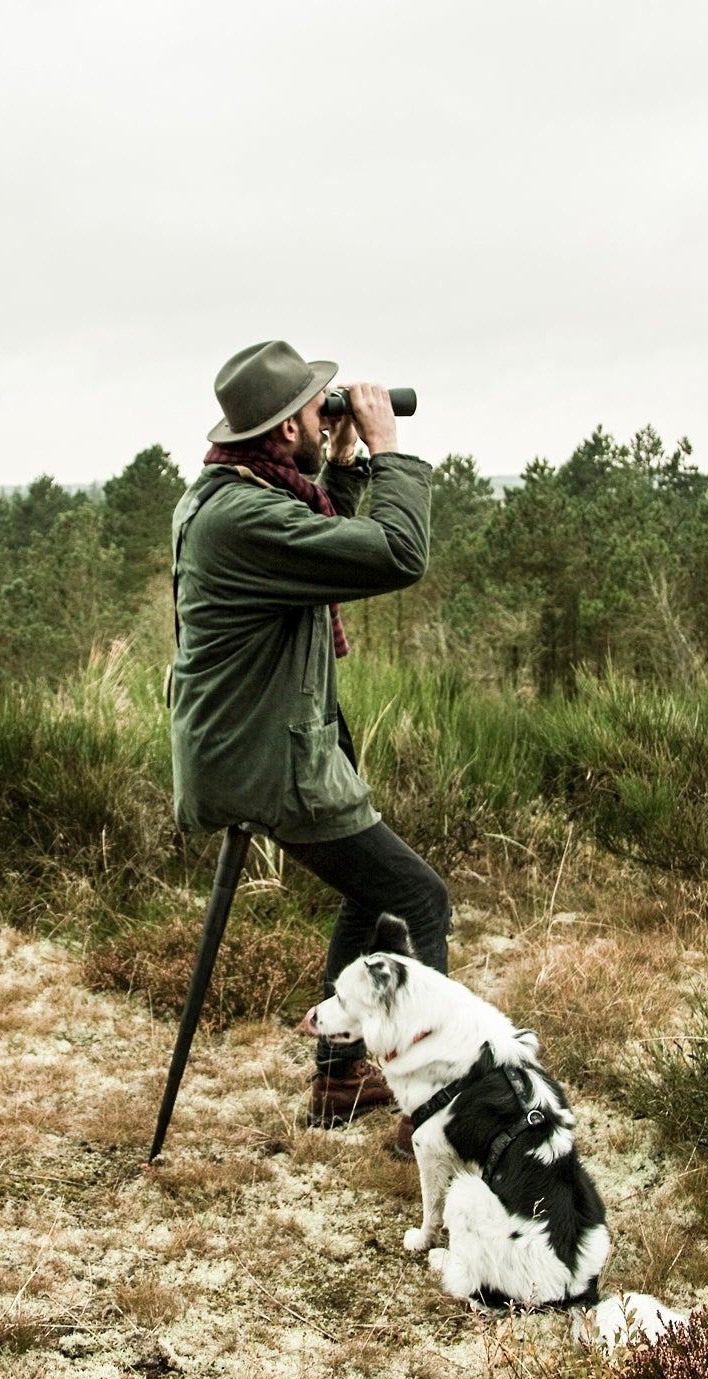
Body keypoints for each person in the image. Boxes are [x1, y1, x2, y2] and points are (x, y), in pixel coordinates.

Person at [169, 339, 451, 1131]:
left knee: (376, 893)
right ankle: (433, 1106)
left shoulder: (228, 494)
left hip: (257, 743)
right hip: (266, 761)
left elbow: (311, 541)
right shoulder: (243, 516)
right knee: (417, 898)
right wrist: (390, 450)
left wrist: (346, 469)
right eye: (312, 406)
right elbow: (396, 554)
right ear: (287, 428)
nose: (323, 411)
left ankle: (337, 1080)